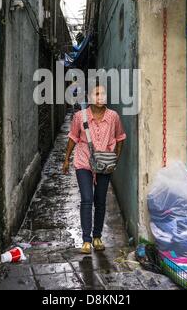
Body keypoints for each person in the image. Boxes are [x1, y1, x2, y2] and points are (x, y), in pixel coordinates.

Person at [62, 85, 127, 254]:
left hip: (105, 164)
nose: (101, 96)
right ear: (90, 97)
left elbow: (120, 137)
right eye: (97, 93)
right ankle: (86, 239)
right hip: (84, 162)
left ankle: (97, 236)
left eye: (103, 93)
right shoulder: (79, 117)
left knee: (100, 200)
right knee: (86, 199)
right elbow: (73, 138)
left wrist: (115, 158)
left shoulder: (113, 117)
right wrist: (66, 160)